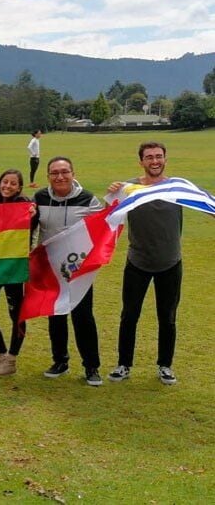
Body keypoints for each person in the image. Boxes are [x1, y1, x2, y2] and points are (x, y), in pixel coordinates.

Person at [107, 142, 184, 385]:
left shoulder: (178, 187)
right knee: (129, 316)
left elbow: (207, 205)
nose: (154, 161)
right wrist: (112, 192)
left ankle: (165, 366)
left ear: (165, 159)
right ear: (141, 161)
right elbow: (106, 211)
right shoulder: (130, 188)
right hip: (137, 262)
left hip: (170, 262)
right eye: (149, 157)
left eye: (159, 156)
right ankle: (123, 364)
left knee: (168, 317)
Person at [33, 157, 103, 386]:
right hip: (51, 269)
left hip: (78, 270)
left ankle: (91, 367)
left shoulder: (89, 199)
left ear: (73, 173)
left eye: (64, 172)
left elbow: (104, 229)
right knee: (56, 315)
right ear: (48, 176)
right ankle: (60, 361)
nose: (60, 177)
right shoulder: (40, 198)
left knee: (83, 317)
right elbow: (26, 225)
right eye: (54, 173)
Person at [0, 170, 33, 376]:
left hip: (12, 270)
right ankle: (2, 354)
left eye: (13, 183)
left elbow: (33, 224)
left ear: (19, 187)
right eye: (5, 182)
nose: (7, 186)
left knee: (16, 315)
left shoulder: (24, 205)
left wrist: (32, 214)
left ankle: (11, 359)